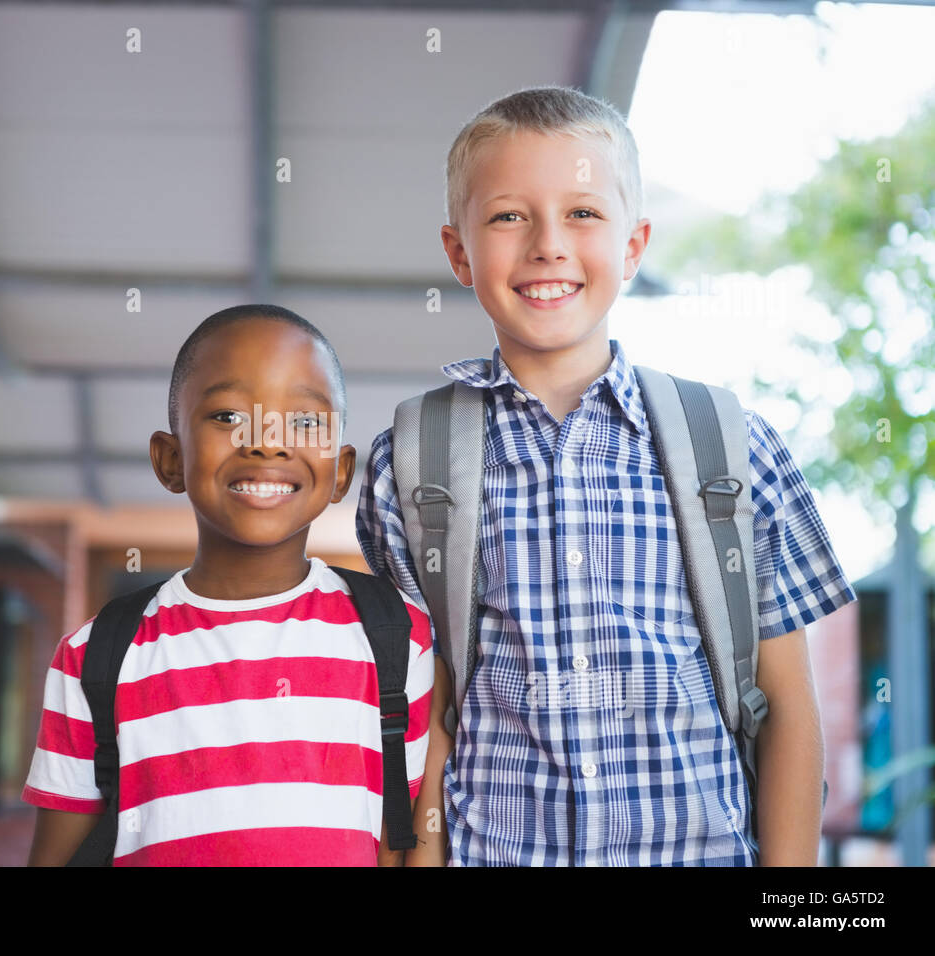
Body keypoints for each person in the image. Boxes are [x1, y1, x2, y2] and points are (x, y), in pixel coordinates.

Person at [358, 87, 857, 866]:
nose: (548, 244)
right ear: (459, 253)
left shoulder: (728, 445)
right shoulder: (413, 461)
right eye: (508, 217)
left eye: (584, 213)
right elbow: (431, 711)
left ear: (633, 245)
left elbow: (790, 706)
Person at [24, 304, 434, 866]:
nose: (266, 442)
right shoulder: (95, 656)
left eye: (305, 421)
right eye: (227, 417)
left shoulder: (396, 638)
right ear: (170, 460)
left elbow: (401, 840)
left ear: (340, 472)